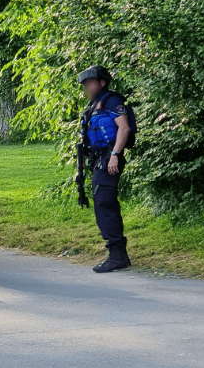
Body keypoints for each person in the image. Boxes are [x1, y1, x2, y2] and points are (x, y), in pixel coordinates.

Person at [77, 65, 132, 273]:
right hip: (99, 158)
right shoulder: (93, 105)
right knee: (102, 203)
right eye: (85, 84)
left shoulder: (112, 100)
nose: (86, 87)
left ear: (102, 82)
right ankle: (118, 254)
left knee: (104, 203)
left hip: (109, 158)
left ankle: (117, 255)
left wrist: (115, 155)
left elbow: (124, 127)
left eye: (89, 83)